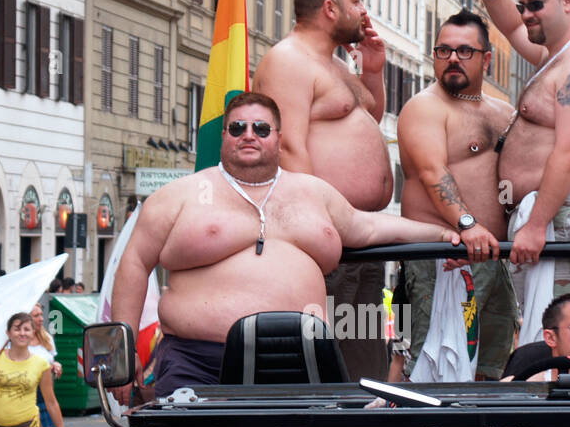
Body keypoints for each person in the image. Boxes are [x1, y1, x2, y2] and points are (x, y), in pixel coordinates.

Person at [108, 93, 458, 397]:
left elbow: (370, 227)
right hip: (198, 360)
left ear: (278, 138)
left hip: (303, 359)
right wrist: (121, 355)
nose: (249, 135)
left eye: (260, 129)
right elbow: (135, 263)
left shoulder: (313, 192)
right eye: (237, 128)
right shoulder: (179, 196)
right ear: (223, 137)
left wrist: (448, 234)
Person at [450, 0, 570, 301]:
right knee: (543, 331)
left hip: (564, 216)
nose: (526, 14)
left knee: (561, 328)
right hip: (550, 213)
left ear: (568, 1)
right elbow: (511, 27)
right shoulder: (554, 57)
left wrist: (538, 225)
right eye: (522, 4)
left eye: (535, 5)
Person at [253, 0, 393, 381]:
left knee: (364, 366)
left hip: (360, 239)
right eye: (356, 1)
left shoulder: (334, 64)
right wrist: (319, 228)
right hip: (328, 243)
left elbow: (368, 119)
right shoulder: (288, 60)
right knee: (323, 361)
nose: (363, 11)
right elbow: (289, 146)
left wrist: (373, 71)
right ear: (330, 9)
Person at [397, 11, 518, 381]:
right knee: (431, 371)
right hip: (445, 260)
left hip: (495, 258)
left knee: (489, 371)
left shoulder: (503, 113)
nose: (452, 58)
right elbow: (431, 171)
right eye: (443, 50)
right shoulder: (424, 107)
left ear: (487, 58)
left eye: (465, 51)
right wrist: (468, 225)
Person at [28, 302, 65, 427]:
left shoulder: (46, 338)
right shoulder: (18, 339)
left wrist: (55, 365)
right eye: (35, 315)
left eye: (41, 314)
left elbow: (50, 362)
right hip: (25, 394)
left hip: (43, 394)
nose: (41, 318)